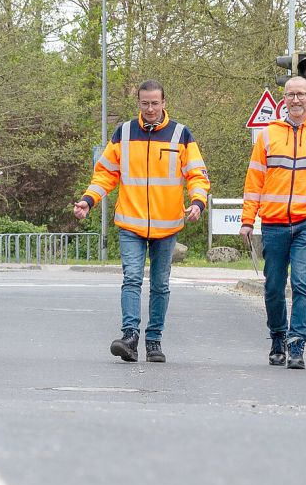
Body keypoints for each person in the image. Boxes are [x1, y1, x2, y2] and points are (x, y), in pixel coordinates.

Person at [73, 80, 210, 364]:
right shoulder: (123, 133)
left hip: (167, 223)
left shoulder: (181, 134)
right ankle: (130, 336)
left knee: (160, 285)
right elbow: (106, 174)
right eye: (145, 103)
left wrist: (198, 202)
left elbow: (197, 174)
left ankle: (154, 339)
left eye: (155, 103)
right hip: (131, 223)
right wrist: (88, 200)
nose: (150, 109)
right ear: (138, 103)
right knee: (132, 279)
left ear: (164, 103)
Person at [239, 77, 306, 370]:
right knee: (273, 286)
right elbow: (254, 181)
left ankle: (297, 344)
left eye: (301, 95)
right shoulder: (268, 135)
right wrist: (248, 220)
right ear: (284, 99)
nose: (295, 100)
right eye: (290, 95)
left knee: (301, 282)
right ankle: (278, 337)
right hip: (273, 224)